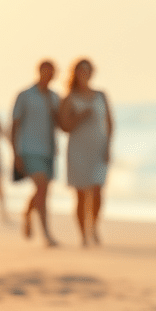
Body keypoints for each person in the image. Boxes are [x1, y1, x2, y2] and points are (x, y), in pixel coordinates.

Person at [58, 58, 114, 247]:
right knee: (81, 195)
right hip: (78, 149)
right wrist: (80, 116)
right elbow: (64, 126)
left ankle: (94, 226)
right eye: (81, 70)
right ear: (75, 73)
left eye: (88, 70)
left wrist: (108, 146)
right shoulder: (69, 98)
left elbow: (110, 123)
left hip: (98, 147)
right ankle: (83, 235)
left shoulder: (101, 95)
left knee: (98, 191)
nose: (85, 73)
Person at [11, 60, 61, 247]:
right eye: (45, 71)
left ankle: (27, 213)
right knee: (41, 188)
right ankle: (46, 234)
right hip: (29, 149)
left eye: (51, 72)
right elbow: (14, 125)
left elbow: (61, 123)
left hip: (49, 150)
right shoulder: (25, 95)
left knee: (43, 191)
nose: (48, 75)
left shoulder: (55, 97)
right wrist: (15, 153)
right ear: (39, 71)